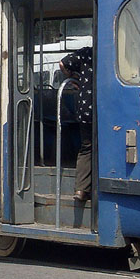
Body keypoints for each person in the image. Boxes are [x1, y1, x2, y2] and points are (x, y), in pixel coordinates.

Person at [60, 45, 94, 203]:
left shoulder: (86, 52)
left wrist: (73, 76)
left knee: (87, 147)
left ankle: (81, 189)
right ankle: (97, 187)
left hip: (86, 107)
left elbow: (63, 63)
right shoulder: (113, 50)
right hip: (105, 107)